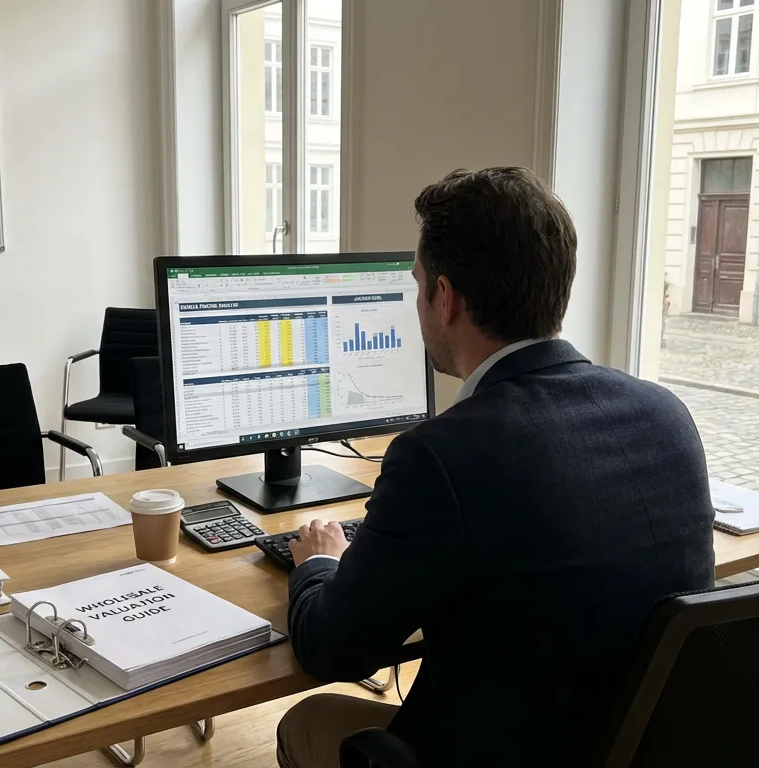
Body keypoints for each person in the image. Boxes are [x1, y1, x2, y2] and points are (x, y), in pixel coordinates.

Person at [276, 167, 715, 768]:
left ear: (446, 298)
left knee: (308, 721)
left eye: (417, 285)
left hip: (500, 748)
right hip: (633, 744)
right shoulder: (666, 413)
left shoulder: (442, 455)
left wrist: (320, 563)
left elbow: (332, 651)